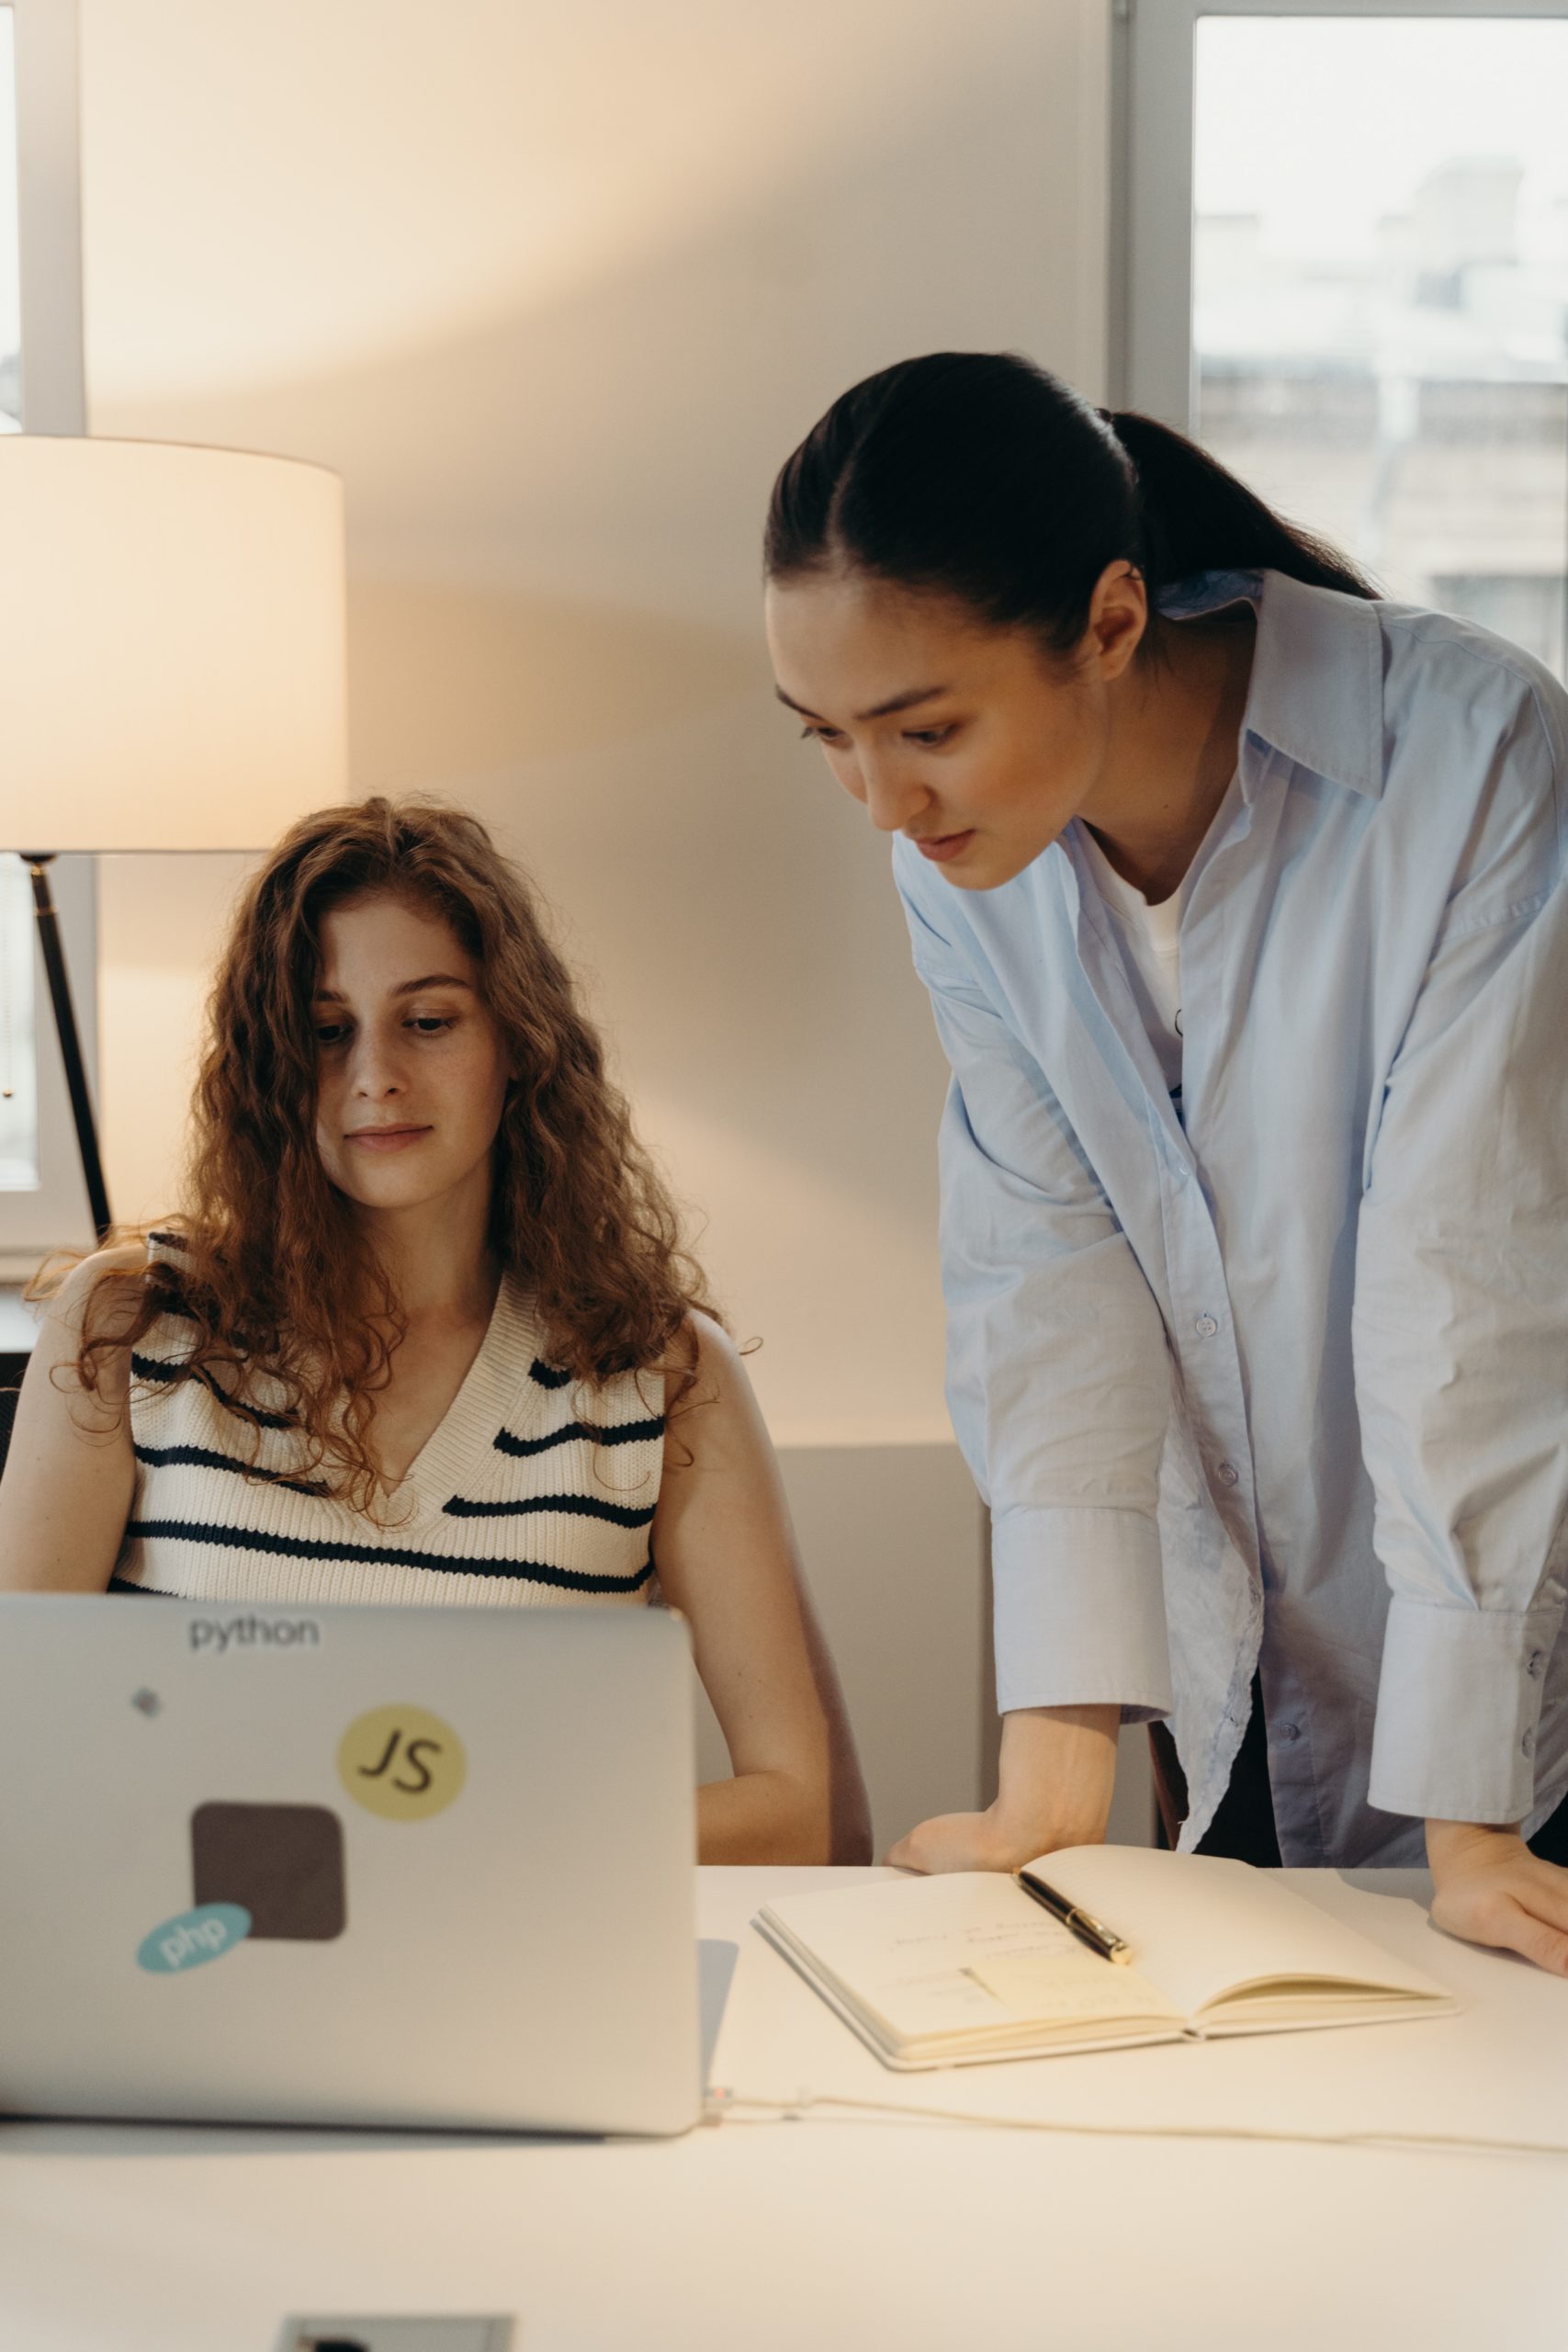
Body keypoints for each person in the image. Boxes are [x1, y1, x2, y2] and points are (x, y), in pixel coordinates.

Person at [763, 349, 1568, 1974]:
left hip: (1519, 1681)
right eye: (827, 738)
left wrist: (1471, 1823)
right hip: (1252, 1689)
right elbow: (1045, 1276)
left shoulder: (1471, 754)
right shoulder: (958, 867)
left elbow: (1465, 1286)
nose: (877, 801)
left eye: (923, 727)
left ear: (1112, 622)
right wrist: (1052, 1768)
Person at [0, 797, 870, 1868]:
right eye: (326, 1031)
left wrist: (459, 1844)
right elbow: (19, 1747)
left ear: (519, 1041)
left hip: (528, 1988)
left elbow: (804, 1812)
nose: (375, 1075)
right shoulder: (129, 1327)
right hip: (196, 1973)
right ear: (274, 1062)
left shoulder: (661, 1372)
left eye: (429, 1019)